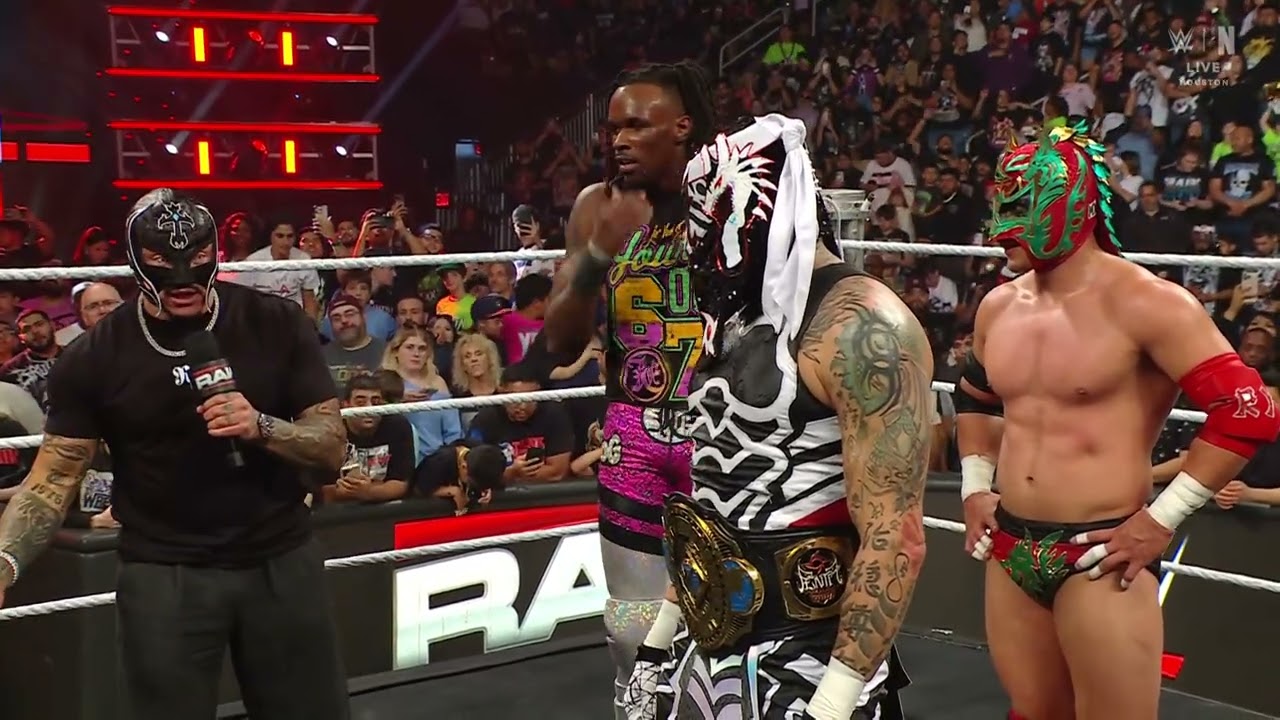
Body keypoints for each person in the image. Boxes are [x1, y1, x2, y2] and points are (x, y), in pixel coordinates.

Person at [957, 125, 1280, 720]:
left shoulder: (1148, 303)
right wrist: (975, 488)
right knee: (1032, 712)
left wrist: (1161, 519)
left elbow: (1249, 412)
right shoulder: (999, 305)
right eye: (1000, 206)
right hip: (1008, 545)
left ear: (1070, 209)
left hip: (1101, 552)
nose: (1001, 228)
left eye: (1022, 207)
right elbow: (974, 397)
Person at [0, 189, 351, 720]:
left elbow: (330, 449)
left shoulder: (273, 322)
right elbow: (53, 481)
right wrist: (5, 562)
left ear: (216, 255)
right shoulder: (95, 357)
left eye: (197, 263)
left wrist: (261, 426)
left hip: (279, 556)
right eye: (165, 266)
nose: (184, 283)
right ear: (137, 263)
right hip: (164, 570)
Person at [622, 115, 926, 720]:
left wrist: (832, 705)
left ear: (753, 215)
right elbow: (714, 497)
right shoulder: (735, 317)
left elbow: (896, 538)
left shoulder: (862, 326)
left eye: (709, 220)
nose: (696, 245)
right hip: (708, 639)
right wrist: (657, 646)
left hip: (811, 651)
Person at [541, 60, 717, 717]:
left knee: (730, 612)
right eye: (613, 128)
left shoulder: (731, 200)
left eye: (636, 126)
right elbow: (559, 343)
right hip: (633, 430)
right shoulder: (598, 206)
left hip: (721, 428)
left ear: (682, 127)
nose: (618, 140)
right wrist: (596, 256)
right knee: (630, 623)